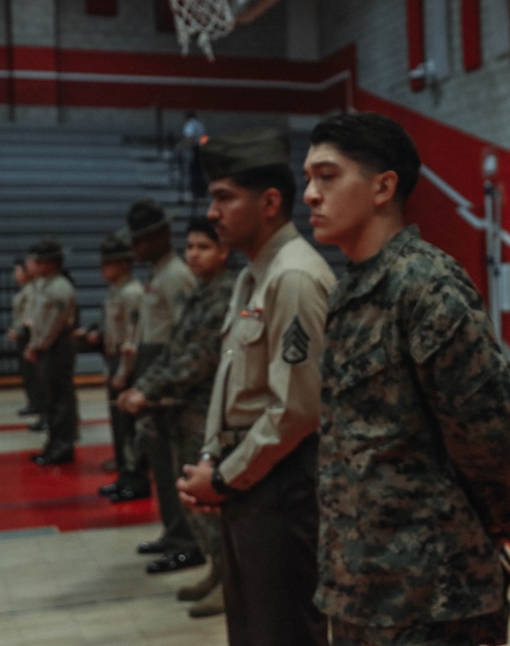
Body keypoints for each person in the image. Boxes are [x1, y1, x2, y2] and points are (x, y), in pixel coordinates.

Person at [303, 111, 510, 645]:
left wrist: (490, 528)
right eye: (308, 179)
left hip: (435, 596)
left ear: (383, 186)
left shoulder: (426, 286)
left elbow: (490, 437)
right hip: (361, 586)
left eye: (328, 176)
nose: (311, 194)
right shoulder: (350, 291)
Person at [175, 127, 335, 646]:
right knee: (251, 632)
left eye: (224, 198)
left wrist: (224, 477)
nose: (213, 212)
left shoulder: (292, 278)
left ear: (269, 202)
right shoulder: (254, 276)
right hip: (251, 480)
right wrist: (212, 465)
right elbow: (232, 384)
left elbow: (297, 409)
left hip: (282, 487)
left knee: (280, 632)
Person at [117, 216, 234, 618]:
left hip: (205, 414)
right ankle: (216, 573)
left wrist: (147, 391)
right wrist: (143, 385)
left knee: (211, 507)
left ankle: (229, 584)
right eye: (190, 248)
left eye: (203, 247)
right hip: (182, 410)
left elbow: (198, 359)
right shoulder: (202, 293)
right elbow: (171, 350)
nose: (194, 255)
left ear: (223, 251)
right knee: (192, 503)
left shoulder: (225, 295)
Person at [112, 199, 201, 577]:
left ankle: (188, 542)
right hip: (152, 368)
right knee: (159, 462)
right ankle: (173, 531)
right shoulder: (156, 274)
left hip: (168, 376)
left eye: (141, 240)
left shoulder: (176, 275)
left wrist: (163, 384)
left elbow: (184, 335)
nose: (135, 249)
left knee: (172, 460)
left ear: (162, 235)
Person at [83, 233, 144, 475]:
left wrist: (122, 371)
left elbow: (132, 334)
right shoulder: (116, 291)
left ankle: (132, 465)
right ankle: (122, 460)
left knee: (127, 419)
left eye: (108, 263)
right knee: (117, 416)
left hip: (125, 357)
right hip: (112, 354)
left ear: (124, 264)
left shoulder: (132, 292)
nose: (102, 268)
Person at [23, 238, 80, 466]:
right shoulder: (44, 284)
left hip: (56, 347)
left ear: (50, 263)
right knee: (51, 397)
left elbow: (54, 324)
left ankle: (63, 445)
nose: (34, 264)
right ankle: (53, 443)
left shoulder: (59, 287)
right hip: (47, 346)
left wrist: (38, 346)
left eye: (39, 260)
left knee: (60, 398)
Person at [8, 255, 41, 419]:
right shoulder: (26, 289)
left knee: (32, 373)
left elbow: (28, 315)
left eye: (18, 270)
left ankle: (36, 404)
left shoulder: (31, 290)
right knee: (27, 373)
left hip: (28, 335)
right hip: (22, 334)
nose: (15, 274)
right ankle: (33, 403)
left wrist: (18, 330)